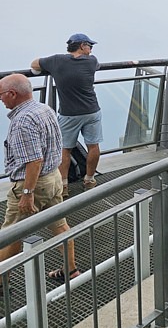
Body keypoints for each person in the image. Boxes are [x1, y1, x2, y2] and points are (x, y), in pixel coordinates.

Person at [0, 74, 80, 281]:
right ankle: (71, 271)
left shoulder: (22, 121)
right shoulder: (44, 109)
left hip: (34, 184)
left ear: (12, 94)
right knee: (59, 225)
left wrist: (27, 193)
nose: (0, 99)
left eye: (1, 94)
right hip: (53, 178)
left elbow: (34, 160)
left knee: (11, 234)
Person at [31, 33, 102, 197]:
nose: (91, 49)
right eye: (89, 46)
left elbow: (34, 64)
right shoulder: (92, 61)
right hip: (92, 110)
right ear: (82, 45)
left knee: (65, 149)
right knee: (94, 145)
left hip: (69, 114)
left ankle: (63, 186)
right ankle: (89, 180)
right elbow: (94, 65)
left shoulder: (56, 61)